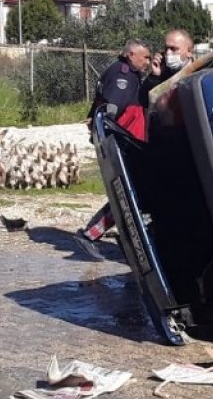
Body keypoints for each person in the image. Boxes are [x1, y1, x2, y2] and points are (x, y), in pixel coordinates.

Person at [74, 30, 195, 260]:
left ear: (189, 51)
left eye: (174, 49)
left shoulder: (199, 74)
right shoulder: (156, 75)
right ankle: (94, 235)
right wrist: (155, 76)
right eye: (166, 48)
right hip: (152, 150)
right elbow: (136, 103)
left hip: (183, 155)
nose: (167, 54)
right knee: (131, 193)